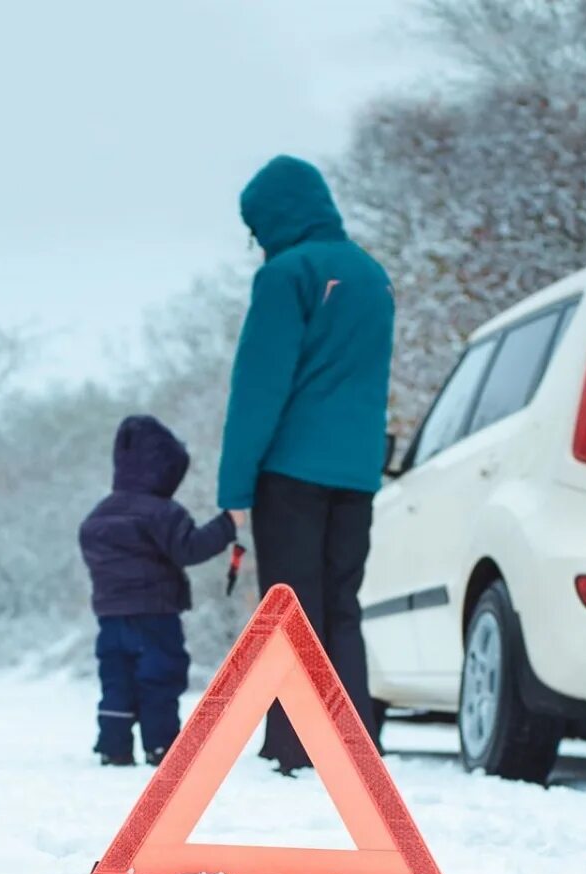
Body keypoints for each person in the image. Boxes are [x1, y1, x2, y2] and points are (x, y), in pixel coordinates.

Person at [217, 155, 395, 774]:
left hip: (291, 472)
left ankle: (294, 745)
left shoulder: (287, 274)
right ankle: (354, 745)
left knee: (291, 608)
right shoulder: (372, 275)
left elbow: (259, 388)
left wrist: (234, 484)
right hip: (357, 473)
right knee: (342, 605)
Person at [79, 415, 241, 767]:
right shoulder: (161, 512)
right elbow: (190, 548)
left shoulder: (97, 516)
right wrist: (229, 524)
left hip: (111, 618)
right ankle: (162, 746)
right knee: (160, 676)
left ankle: (114, 746)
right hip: (156, 614)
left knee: (116, 680)